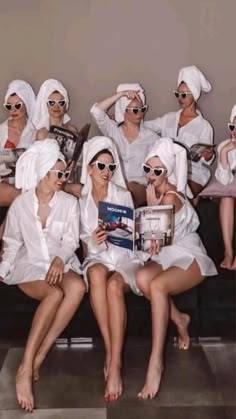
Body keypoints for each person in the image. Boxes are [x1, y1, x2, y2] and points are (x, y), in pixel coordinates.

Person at [0, 139, 85, 412]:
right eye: (57, 174)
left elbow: (71, 239)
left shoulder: (69, 203)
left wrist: (60, 259)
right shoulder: (21, 205)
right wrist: (3, 269)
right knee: (54, 293)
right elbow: (12, 242)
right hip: (30, 265)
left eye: (64, 174)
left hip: (60, 262)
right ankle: (25, 368)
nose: (62, 179)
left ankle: (40, 355)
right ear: (43, 173)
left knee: (77, 288)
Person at [135, 137, 217, 400]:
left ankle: (156, 362)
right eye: (148, 169)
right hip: (168, 253)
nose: (151, 175)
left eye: (157, 171)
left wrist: (151, 204)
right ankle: (180, 318)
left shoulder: (172, 196)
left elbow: (156, 229)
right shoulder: (155, 192)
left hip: (190, 255)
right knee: (141, 277)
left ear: (168, 172)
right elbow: (150, 242)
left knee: (157, 286)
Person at [80, 136, 142, 401]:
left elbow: (130, 240)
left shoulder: (123, 195)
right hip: (99, 258)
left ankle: (114, 363)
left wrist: (120, 235)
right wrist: (94, 242)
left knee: (114, 284)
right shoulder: (81, 202)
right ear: (89, 168)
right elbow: (83, 244)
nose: (106, 173)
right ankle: (111, 350)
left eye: (111, 167)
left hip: (125, 258)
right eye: (101, 166)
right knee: (95, 273)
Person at [144, 66, 214, 203]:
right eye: (177, 94)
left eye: (184, 95)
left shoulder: (204, 126)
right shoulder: (169, 118)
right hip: (168, 171)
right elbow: (145, 126)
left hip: (193, 173)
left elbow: (208, 160)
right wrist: (123, 121)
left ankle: (188, 215)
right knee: (160, 191)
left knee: (177, 196)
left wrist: (208, 155)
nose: (179, 98)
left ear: (194, 95)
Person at [90, 83, 159, 207]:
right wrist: (121, 95)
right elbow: (96, 111)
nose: (140, 113)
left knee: (125, 193)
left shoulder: (152, 137)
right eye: (134, 110)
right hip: (113, 185)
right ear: (124, 111)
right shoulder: (112, 130)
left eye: (142, 109)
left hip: (138, 187)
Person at [33, 78, 82, 197]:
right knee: (77, 189)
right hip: (49, 179)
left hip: (67, 176)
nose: (56, 106)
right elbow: (39, 164)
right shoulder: (42, 133)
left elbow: (76, 158)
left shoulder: (72, 130)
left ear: (66, 106)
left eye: (61, 102)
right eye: (52, 103)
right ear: (47, 105)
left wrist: (73, 162)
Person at [215, 104, 236, 270]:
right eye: (232, 126)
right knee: (226, 198)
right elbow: (224, 182)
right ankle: (228, 252)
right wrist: (224, 154)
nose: (234, 131)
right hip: (231, 188)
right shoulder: (224, 146)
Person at [0, 79, 36, 150]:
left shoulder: (34, 133)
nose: (13, 110)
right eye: (9, 106)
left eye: (17, 105)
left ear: (27, 105)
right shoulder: (1, 130)